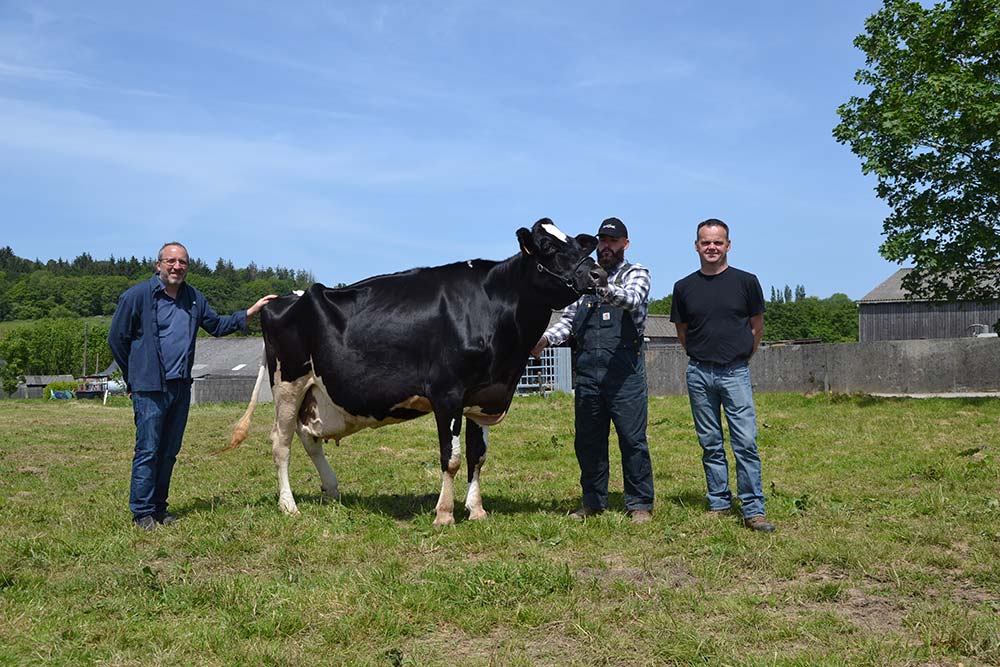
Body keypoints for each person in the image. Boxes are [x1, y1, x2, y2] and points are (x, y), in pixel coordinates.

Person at [108, 242, 276, 530]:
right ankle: (142, 513)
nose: (177, 267)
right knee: (148, 450)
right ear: (158, 264)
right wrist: (134, 377)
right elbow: (117, 339)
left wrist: (250, 312)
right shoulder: (136, 296)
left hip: (180, 387)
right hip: (150, 388)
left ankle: (159, 508)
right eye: (171, 261)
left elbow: (218, 325)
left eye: (182, 262)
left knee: (169, 451)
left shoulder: (193, 299)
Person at [532, 217, 654, 524]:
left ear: (625, 244)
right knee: (588, 441)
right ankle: (592, 501)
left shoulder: (636, 273)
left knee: (632, 439)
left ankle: (639, 503)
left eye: (613, 242)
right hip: (587, 375)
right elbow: (569, 320)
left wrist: (603, 285)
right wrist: (545, 339)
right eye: (602, 241)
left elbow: (632, 298)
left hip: (624, 374)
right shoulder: (583, 282)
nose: (606, 247)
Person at [670, 218, 774, 532]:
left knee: (745, 441)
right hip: (699, 373)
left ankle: (753, 509)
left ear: (728, 245)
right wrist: (702, 357)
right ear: (696, 246)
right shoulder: (683, 287)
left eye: (718, 242)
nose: (712, 247)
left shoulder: (746, 282)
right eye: (706, 242)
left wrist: (740, 357)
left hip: (735, 372)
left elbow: (757, 328)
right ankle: (718, 500)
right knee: (711, 442)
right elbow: (682, 331)